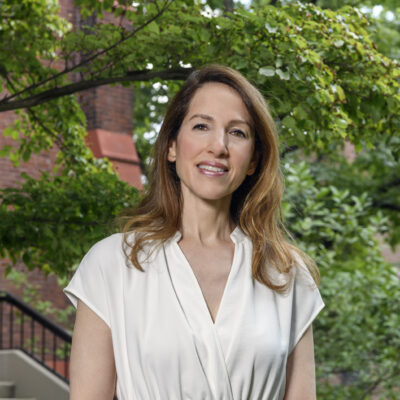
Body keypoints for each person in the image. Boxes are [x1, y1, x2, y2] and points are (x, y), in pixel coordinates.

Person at [64, 64, 324, 400]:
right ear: (172, 146)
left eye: (237, 133)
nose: (218, 146)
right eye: (201, 126)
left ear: (254, 161)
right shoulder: (112, 264)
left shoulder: (286, 273)